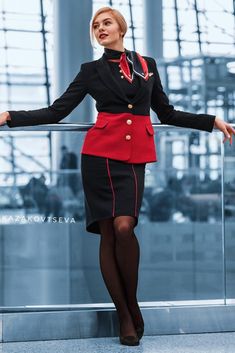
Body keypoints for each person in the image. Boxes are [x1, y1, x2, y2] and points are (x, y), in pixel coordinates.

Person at [0, 6, 234, 346]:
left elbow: (165, 112)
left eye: (106, 23)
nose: (100, 29)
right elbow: (57, 110)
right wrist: (10, 116)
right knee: (108, 233)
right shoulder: (91, 70)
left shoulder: (146, 65)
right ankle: (125, 314)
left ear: (121, 27)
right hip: (98, 158)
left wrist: (210, 121)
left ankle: (132, 304)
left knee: (125, 226)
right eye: (95, 26)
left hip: (133, 159)